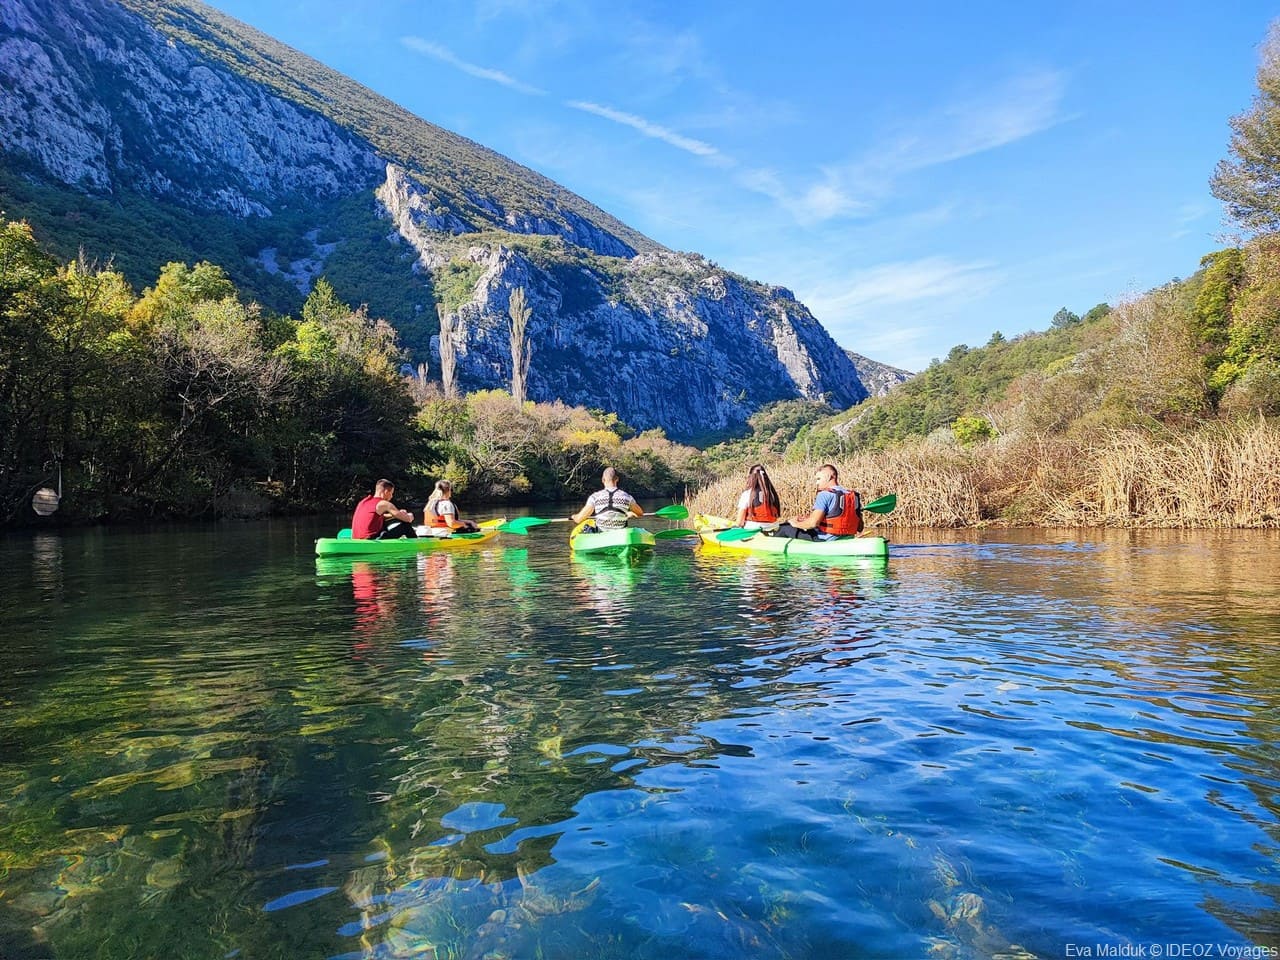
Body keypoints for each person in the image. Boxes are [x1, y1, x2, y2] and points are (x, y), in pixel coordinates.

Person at [773, 463, 862, 541]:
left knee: (784, 528)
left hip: (825, 540)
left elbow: (813, 523)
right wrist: (806, 520)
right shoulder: (854, 496)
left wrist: (794, 523)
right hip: (848, 538)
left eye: (819, 479)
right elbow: (860, 527)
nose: (817, 483)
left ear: (830, 476)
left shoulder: (824, 494)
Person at [571, 466, 644, 531]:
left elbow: (579, 519)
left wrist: (574, 517)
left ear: (603, 480)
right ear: (617, 479)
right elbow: (640, 513)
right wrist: (628, 513)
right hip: (620, 534)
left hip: (601, 533)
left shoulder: (594, 497)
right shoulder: (627, 497)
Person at [351, 479, 417, 540]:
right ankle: (416, 544)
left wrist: (395, 514)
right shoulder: (384, 504)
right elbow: (407, 519)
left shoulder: (363, 502)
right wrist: (409, 516)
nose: (391, 496)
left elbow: (374, 517)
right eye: (391, 493)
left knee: (382, 521)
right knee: (406, 525)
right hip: (372, 540)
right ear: (386, 492)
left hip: (357, 539)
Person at [734, 463, 781, 529]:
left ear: (751, 477)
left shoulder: (747, 494)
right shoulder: (772, 493)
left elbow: (740, 522)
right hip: (774, 528)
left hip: (754, 529)